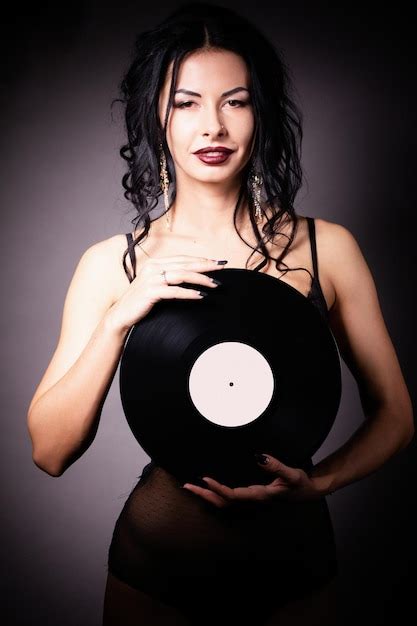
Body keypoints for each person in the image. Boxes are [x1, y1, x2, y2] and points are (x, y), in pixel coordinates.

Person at [26, 2, 414, 625]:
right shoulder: (111, 264)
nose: (213, 125)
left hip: (297, 569)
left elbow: (396, 416)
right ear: (156, 115)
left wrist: (323, 483)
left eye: (235, 101)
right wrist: (118, 319)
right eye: (186, 102)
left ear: (261, 114)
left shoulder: (326, 249)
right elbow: (50, 451)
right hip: (152, 575)